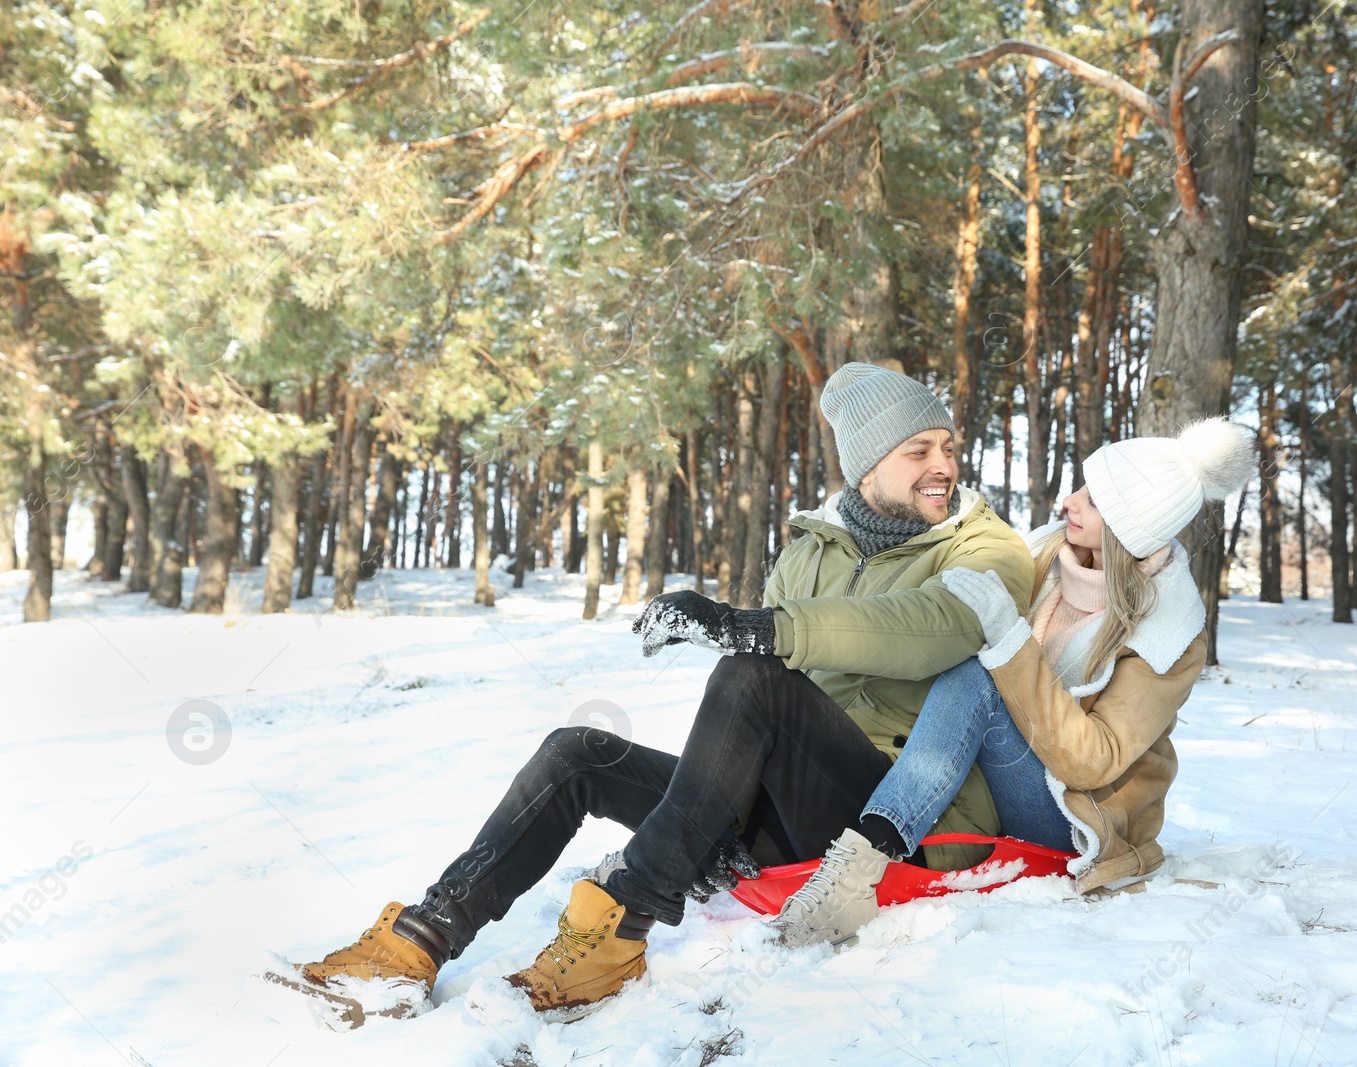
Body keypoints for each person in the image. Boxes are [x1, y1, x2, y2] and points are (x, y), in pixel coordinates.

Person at [272, 362, 1033, 1024]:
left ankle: (621, 926)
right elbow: (760, 717)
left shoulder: (985, 546)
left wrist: (754, 627)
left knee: (753, 671)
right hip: (789, 814)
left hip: (899, 817)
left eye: (948, 448)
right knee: (578, 753)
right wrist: (713, 816)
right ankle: (425, 936)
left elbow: (936, 625)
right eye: (919, 451)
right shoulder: (809, 554)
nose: (944, 466)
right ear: (867, 466)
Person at [769, 417, 1257, 949]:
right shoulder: (1046, 556)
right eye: (1079, 486)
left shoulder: (1170, 634)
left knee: (977, 672)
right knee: (965, 668)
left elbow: (1092, 761)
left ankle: (861, 866)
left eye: (1091, 500)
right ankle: (839, 839)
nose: (1068, 501)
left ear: (1125, 526)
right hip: (1003, 778)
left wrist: (1010, 643)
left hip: (1076, 821)